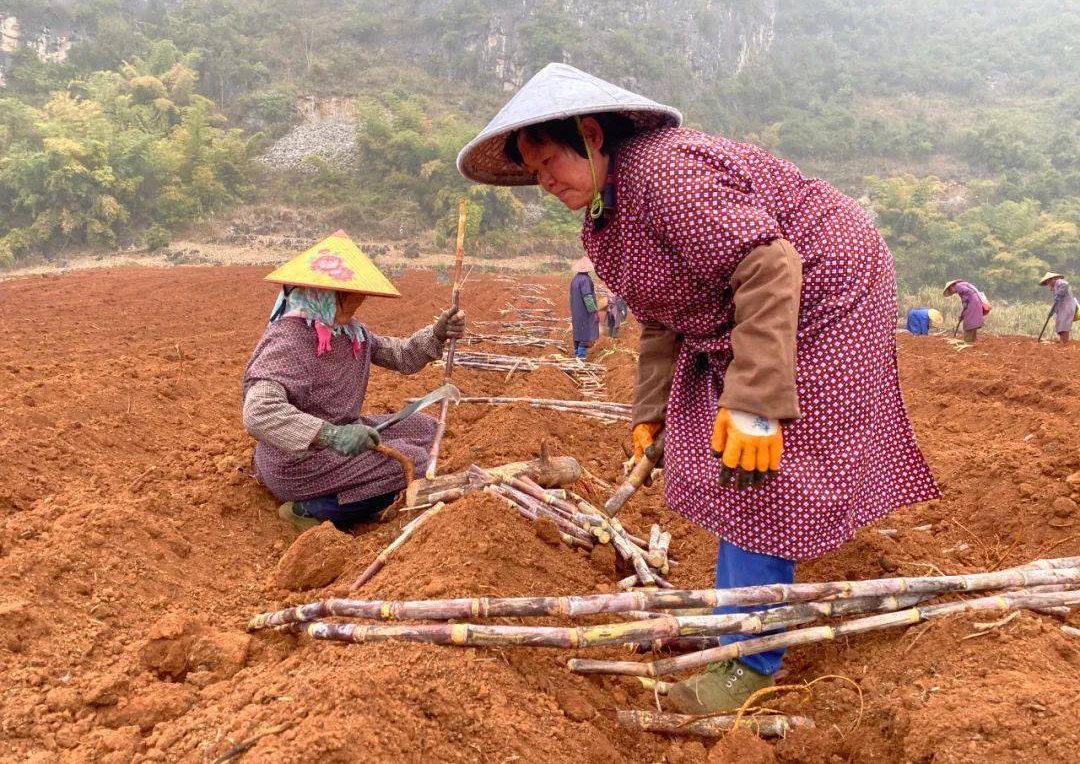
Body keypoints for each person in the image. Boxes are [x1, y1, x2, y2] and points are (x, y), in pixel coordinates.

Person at [457, 63, 939, 713]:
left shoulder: (665, 173)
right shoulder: (604, 223)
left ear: (592, 134)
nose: (544, 182)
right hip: (762, 296)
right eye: (534, 172)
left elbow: (770, 268)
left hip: (822, 283)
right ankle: (732, 620)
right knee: (726, 456)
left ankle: (751, 659)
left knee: (764, 465)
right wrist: (649, 415)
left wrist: (758, 404)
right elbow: (659, 316)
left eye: (549, 162)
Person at [241, 230, 466, 531]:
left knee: (424, 428)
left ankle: (354, 491)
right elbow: (259, 411)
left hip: (341, 436)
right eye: (351, 298)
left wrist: (436, 334)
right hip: (297, 458)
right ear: (326, 295)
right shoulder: (290, 339)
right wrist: (333, 436)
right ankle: (312, 510)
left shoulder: (349, 332)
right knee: (413, 462)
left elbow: (401, 356)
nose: (360, 303)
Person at [570, 256, 600, 358]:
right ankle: (581, 356)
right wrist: (593, 311)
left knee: (578, 331)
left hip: (576, 310)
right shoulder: (585, 280)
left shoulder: (575, 279)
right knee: (586, 331)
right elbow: (587, 297)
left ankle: (577, 353)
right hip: (584, 311)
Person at [1039, 271, 1078, 345]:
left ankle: (1064, 343)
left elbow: (1065, 284)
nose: (1048, 284)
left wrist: (1059, 294)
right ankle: (1062, 342)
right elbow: (1056, 302)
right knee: (1059, 324)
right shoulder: (1054, 288)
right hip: (1062, 309)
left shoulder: (1059, 282)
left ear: (1051, 279)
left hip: (1067, 307)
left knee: (1064, 325)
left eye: (1048, 282)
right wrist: (1052, 311)